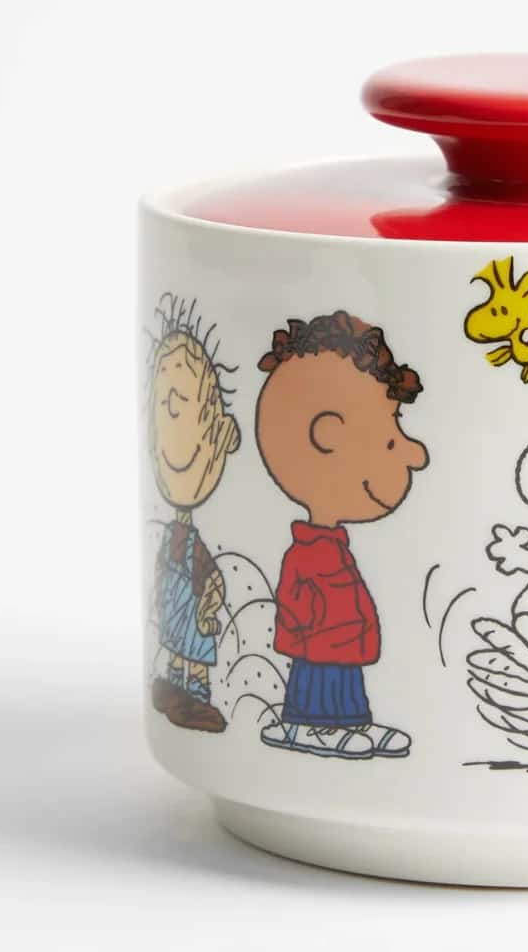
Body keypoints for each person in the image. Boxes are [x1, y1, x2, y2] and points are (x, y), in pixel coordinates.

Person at [254, 311, 429, 760]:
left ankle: (350, 723)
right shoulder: (308, 553)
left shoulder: (333, 548)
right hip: (320, 651)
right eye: (389, 440)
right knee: (319, 684)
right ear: (327, 436)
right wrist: (309, 637)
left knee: (345, 687)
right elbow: (293, 606)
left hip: (341, 648)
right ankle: (307, 724)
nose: (416, 456)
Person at [146, 296, 242, 732]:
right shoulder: (172, 535)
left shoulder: (193, 546)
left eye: (181, 403)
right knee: (177, 648)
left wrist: (210, 602)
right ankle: (178, 689)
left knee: (196, 653)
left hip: (194, 613)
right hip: (175, 614)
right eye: (163, 405)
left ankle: (198, 696)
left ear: (221, 435)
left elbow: (210, 577)